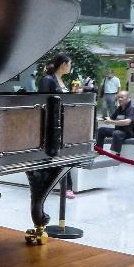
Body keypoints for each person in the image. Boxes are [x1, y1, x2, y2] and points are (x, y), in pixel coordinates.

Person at [39, 53, 76, 198]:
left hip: (63, 122)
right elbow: (42, 101)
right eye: (70, 64)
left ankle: (66, 186)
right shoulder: (47, 80)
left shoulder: (62, 80)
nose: (70, 67)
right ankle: (63, 186)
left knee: (63, 154)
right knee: (55, 154)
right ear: (63, 64)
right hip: (51, 124)